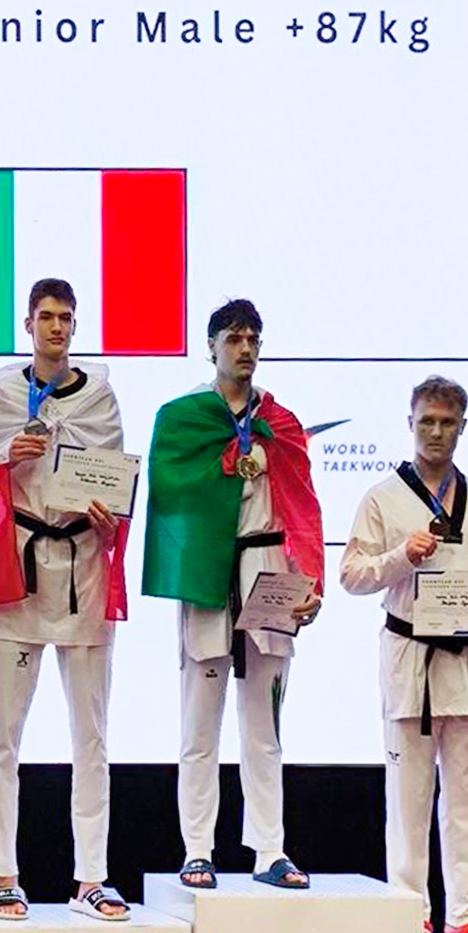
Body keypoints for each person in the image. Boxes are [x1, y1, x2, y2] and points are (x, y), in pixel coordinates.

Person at [0, 278, 131, 922]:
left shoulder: (100, 395)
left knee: (92, 735)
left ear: (75, 326)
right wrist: (9, 452)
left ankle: (91, 877)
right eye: (46, 317)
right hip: (20, 569)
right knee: (3, 735)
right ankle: (4, 874)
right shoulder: (4, 393)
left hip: (83, 567)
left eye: (66, 318)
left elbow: (117, 482)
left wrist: (111, 518)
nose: (56, 327)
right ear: (28, 324)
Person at [142, 298, 324, 890]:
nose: (244, 349)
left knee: (264, 726)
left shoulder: (282, 423)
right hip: (207, 574)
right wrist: (217, 474)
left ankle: (270, 848)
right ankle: (197, 848)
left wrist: (311, 581)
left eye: (253, 339)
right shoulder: (183, 418)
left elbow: (303, 508)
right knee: (200, 724)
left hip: (268, 570)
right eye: (233, 338)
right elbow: (169, 493)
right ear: (211, 347)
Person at [339, 376, 468, 933]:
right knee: (409, 798)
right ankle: (409, 912)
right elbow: (351, 576)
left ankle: (467, 917)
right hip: (411, 658)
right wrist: (401, 555)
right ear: (410, 423)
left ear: (462, 427)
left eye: (447, 423)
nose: (436, 432)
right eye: (427, 421)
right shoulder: (382, 497)